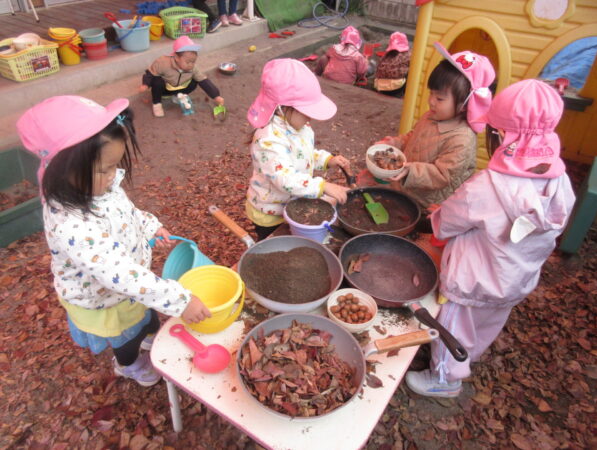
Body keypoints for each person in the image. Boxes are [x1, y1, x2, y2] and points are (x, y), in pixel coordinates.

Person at [16, 96, 212, 387]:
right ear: (63, 169)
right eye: (105, 169)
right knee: (126, 339)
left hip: (131, 289)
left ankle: (146, 335)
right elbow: (121, 275)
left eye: (114, 166)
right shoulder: (71, 225)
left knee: (146, 319)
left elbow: (125, 211)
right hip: (106, 299)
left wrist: (150, 226)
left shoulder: (96, 186)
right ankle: (128, 364)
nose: (113, 177)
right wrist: (181, 301)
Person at [405, 79, 576, 398]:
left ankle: (445, 378)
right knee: (485, 323)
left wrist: (437, 216)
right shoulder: (558, 180)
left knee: (453, 328)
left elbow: (448, 221)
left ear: (498, 135)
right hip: (514, 279)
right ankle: (469, 355)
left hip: (474, 281)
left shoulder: (488, 185)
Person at [380, 42, 496, 212]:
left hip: (427, 205)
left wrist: (410, 171)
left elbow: (442, 175)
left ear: (465, 104)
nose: (431, 101)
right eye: (431, 93)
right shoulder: (431, 116)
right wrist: (392, 144)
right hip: (405, 190)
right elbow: (413, 137)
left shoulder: (462, 138)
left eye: (440, 98)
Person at [246, 58, 350, 240]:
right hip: (270, 211)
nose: (310, 118)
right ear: (282, 108)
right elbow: (285, 179)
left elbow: (302, 153)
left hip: (291, 201)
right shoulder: (268, 141)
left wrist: (327, 160)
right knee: (274, 243)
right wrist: (322, 186)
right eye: (306, 112)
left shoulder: (298, 125)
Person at [139, 36, 225, 117]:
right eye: (188, 62)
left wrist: (216, 95)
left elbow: (203, 80)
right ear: (176, 57)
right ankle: (157, 104)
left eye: (193, 62)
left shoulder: (193, 68)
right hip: (165, 90)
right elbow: (150, 73)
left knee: (195, 80)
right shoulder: (163, 62)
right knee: (157, 81)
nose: (191, 65)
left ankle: (178, 96)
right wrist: (145, 84)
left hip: (180, 88)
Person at [373, 31, 411, 96]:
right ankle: (405, 93)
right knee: (411, 71)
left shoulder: (386, 55)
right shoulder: (407, 55)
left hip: (379, 85)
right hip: (396, 87)